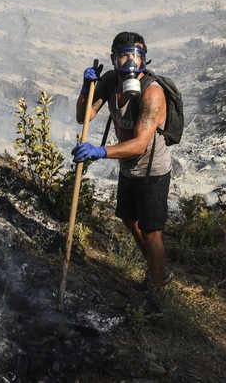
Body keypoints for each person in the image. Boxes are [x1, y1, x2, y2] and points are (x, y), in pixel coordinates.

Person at [72, 31, 173, 308]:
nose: (131, 62)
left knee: (152, 232)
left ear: (145, 59)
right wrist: (86, 89)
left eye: (137, 56)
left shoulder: (152, 93)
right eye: (124, 55)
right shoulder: (109, 81)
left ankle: (157, 294)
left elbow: (140, 145)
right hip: (128, 166)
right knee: (129, 219)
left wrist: (100, 151)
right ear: (113, 58)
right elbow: (84, 116)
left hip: (152, 170)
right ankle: (159, 271)